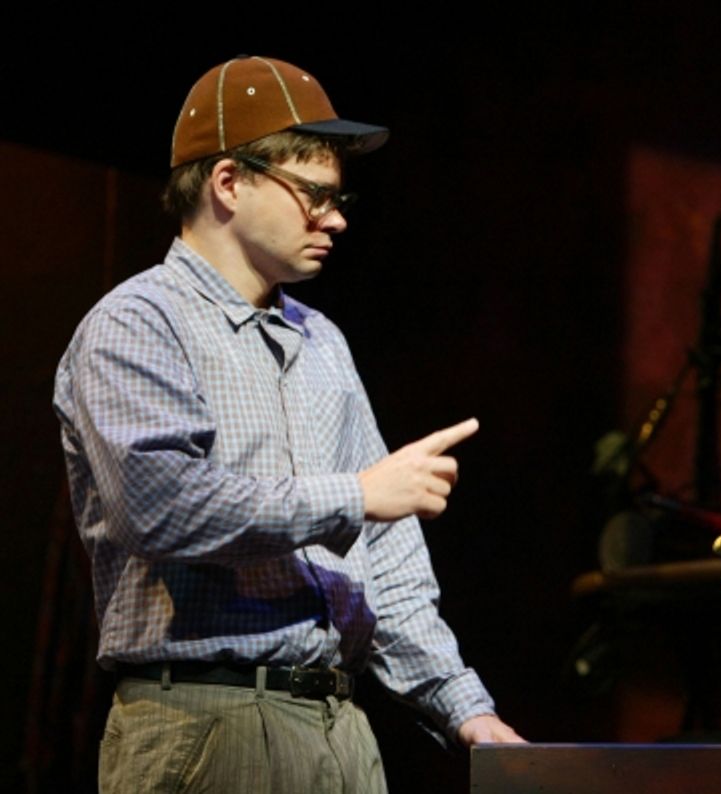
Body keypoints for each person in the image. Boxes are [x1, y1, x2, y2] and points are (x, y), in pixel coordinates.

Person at [52, 55, 522, 792]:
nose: (335, 218)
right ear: (229, 183)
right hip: (206, 725)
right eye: (313, 194)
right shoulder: (138, 323)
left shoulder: (323, 343)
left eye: (339, 199)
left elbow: (386, 567)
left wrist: (465, 708)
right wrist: (355, 496)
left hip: (338, 731)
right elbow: (162, 505)